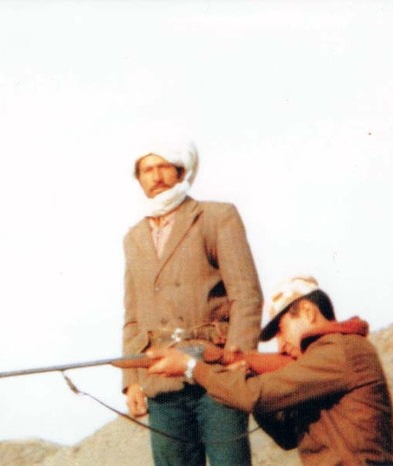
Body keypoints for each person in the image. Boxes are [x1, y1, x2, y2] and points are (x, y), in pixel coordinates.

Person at [147, 275, 393, 466]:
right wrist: (251, 374)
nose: (280, 343)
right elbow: (287, 435)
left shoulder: (339, 349)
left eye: (281, 329)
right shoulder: (328, 358)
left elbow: (255, 395)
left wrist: (192, 367)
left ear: (308, 312)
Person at [122, 136, 263, 466]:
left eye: (163, 167)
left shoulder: (215, 217)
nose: (156, 176)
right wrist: (132, 382)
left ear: (181, 171)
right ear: (139, 179)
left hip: (216, 371)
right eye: (147, 170)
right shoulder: (134, 238)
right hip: (161, 379)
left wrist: (238, 358)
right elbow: (133, 315)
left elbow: (246, 295)